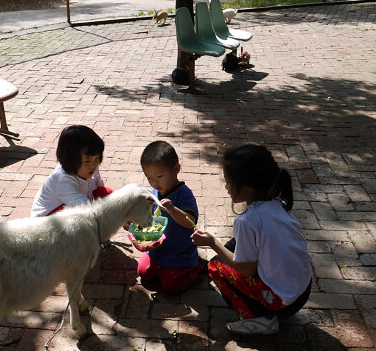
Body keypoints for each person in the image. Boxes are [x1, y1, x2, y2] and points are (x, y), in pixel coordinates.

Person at [191, 144, 312, 335]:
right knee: (235, 244)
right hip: (303, 290)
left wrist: (213, 243)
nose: (226, 186)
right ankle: (266, 303)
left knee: (215, 266)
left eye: (229, 182)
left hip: (282, 302)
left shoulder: (246, 220)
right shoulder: (279, 204)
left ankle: (258, 318)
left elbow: (247, 269)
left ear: (247, 187)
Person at [132, 140, 203, 294]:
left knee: (171, 288)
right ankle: (161, 267)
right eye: (149, 178)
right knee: (143, 273)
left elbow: (190, 222)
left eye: (159, 176)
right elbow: (147, 218)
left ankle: (196, 268)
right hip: (158, 249)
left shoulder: (184, 194)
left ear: (176, 169)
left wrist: (172, 209)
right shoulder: (155, 192)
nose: (154, 182)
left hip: (179, 252)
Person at [31, 125, 112, 217]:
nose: (93, 165)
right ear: (70, 159)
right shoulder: (62, 179)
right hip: (46, 221)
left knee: (107, 194)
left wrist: (122, 212)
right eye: (87, 160)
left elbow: (99, 187)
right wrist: (116, 216)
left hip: (78, 201)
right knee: (79, 216)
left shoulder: (91, 167)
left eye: (97, 158)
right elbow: (86, 208)